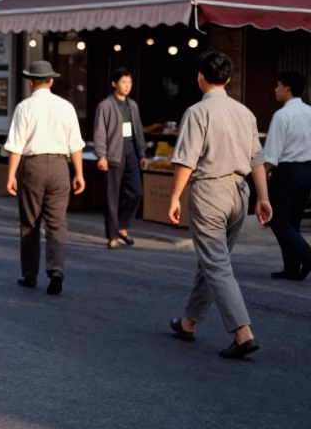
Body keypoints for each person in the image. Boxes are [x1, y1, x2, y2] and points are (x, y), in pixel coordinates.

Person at [168, 50, 272, 359]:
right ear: (227, 79)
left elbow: (185, 160)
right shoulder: (245, 113)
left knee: (216, 263)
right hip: (240, 192)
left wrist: (174, 197)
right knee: (214, 260)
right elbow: (257, 159)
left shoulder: (197, 112)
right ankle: (188, 322)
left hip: (210, 192)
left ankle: (243, 332)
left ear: (200, 78)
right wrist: (263, 197)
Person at [5, 60, 85, 296]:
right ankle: (56, 269)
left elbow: (16, 145)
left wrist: (11, 175)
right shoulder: (66, 107)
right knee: (57, 222)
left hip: (33, 166)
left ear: (31, 82)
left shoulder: (24, 107)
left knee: (30, 222)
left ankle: (29, 275)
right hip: (61, 166)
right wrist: (79, 173)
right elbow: (75, 144)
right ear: (51, 81)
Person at [264, 71, 311, 280]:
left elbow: (272, 154)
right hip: (307, 172)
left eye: (278, 85)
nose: (276, 89)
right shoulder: (310, 112)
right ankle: (291, 269)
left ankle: (307, 256)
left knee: (278, 221)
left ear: (287, 89)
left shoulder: (281, 115)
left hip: (287, 172)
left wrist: (262, 176)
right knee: (293, 222)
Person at [94, 67, 147, 249]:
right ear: (114, 84)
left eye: (129, 83)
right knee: (112, 197)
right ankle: (112, 236)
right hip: (113, 155)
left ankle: (122, 227)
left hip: (131, 152)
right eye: (124, 82)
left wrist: (142, 153)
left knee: (136, 192)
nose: (127, 86)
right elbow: (99, 133)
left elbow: (138, 131)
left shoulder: (132, 105)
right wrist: (101, 155)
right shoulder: (105, 106)